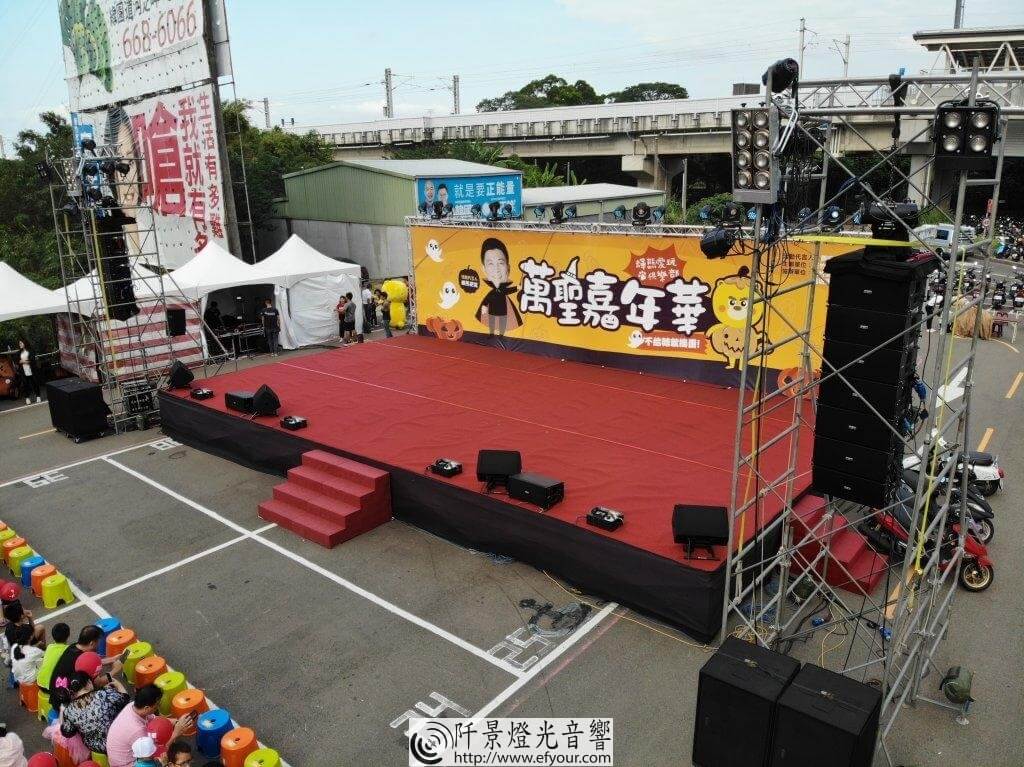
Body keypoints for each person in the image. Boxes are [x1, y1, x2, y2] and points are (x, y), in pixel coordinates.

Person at [107, 686, 191, 767]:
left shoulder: (134, 706)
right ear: (147, 708)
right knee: (174, 754)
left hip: (128, 756)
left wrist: (177, 722)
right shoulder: (138, 730)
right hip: (130, 764)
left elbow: (155, 720)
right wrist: (175, 733)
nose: (158, 707)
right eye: (157, 705)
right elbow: (155, 752)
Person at [55, 670, 130, 756]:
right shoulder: (103, 694)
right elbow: (125, 700)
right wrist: (118, 684)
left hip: (94, 746)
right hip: (115, 740)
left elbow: (67, 733)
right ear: (89, 682)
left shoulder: (69, 710)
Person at [474, 237, 522, 337]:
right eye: (490, 264)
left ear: (508, 267)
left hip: (503, 310)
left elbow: (509, 290)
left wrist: (517, 288)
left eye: (500, 263)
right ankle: (492, 333)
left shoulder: (505, 293)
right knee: (491, 320)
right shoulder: (492, 292)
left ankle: (501, 334)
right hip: (492, 310)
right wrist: (484, 307)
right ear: (484, 269)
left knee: (503, 321)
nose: (496, 269)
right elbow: (486, 300)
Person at [50, 625, 102, 693]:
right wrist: (114, 670)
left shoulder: (74, 646)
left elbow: (95, 661)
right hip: (65, 695)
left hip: (55, 689)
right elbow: (98, 683)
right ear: (91, 643)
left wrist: (113, 659)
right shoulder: (83, 660)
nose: (98, 644)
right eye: (98, 641)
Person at [35, 622, 71, 702]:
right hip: (53, 688)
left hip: (40, 683)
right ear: (68, 635)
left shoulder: (50, 647)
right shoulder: (68, 650)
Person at [16, 340, 41, 405]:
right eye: (19, 343)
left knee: (35, 383)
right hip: (23, 371)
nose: (20, 344)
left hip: (31, 370)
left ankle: (38, 396)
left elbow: (32, 360)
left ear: (25, 343)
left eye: (21, 343)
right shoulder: (18, 352)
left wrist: (23, 361)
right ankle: (27, 398)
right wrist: (25, 361)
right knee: (25, 385)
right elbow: (17, 361)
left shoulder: (31, 351)